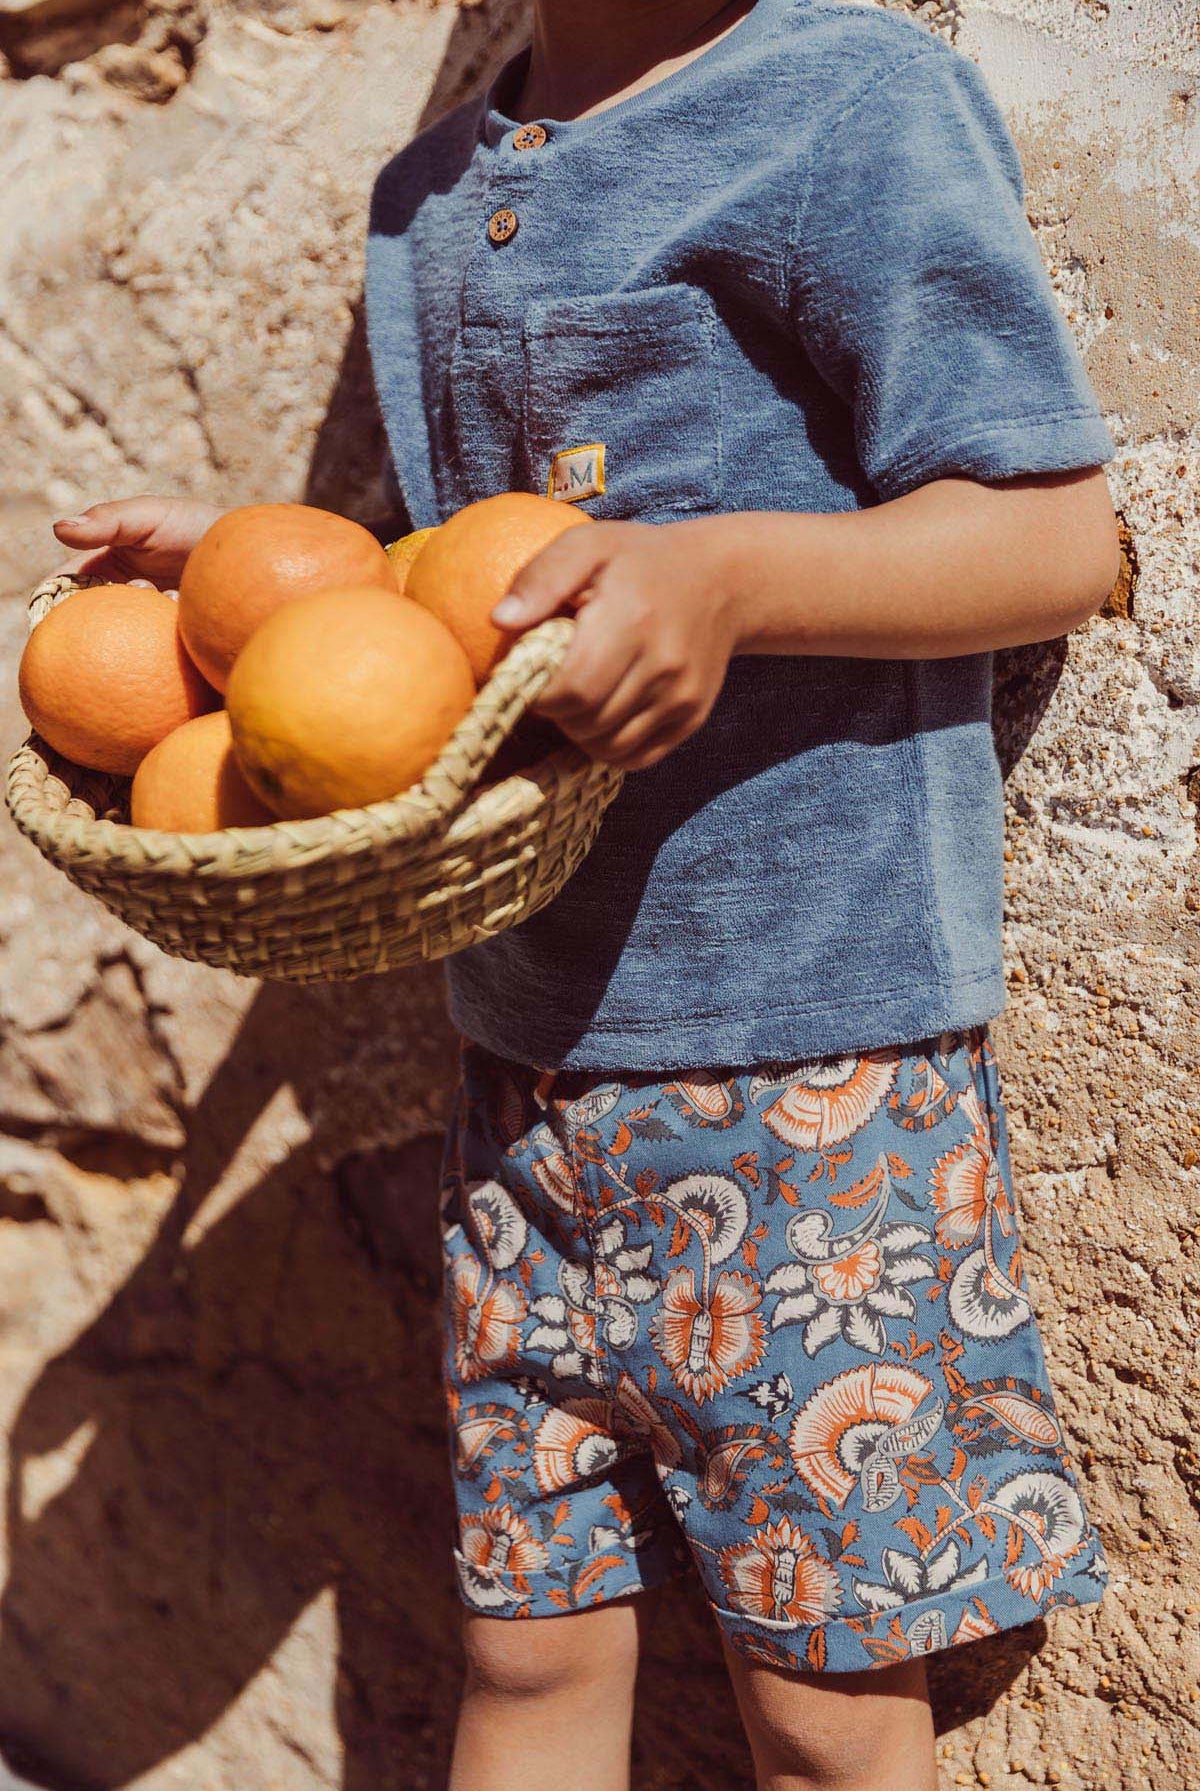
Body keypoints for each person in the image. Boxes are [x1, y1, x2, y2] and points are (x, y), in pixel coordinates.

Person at [53, 0, 1121, 1784]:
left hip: (819, 1076)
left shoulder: (852, 103)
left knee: (830, 1712)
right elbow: (470, 604)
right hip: (524, 1078)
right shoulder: (428, 194)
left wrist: (731, 582)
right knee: (525, 1656)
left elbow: (1056, 531)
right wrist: (261, 584)